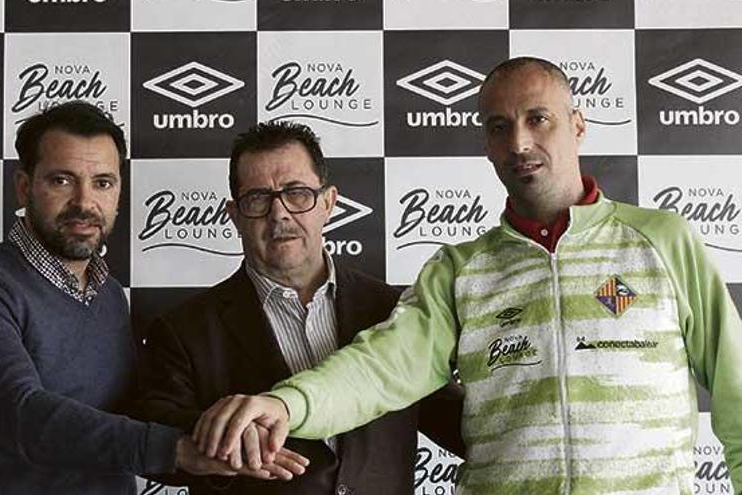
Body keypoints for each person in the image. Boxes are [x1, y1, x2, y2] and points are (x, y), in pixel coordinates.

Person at [193, 58, 742, 494]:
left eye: (538, 118)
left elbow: (736, 396)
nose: (519, 142)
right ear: (485, 144)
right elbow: (379, 367)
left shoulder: (664, 239)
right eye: (499, 127)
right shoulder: (460, 270)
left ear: (578, 125)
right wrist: (287, 405)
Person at [0, 101, 306, 495]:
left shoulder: (107, 295)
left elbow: (131, 415)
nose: (84, 203)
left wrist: (227, 435)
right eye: (62, 180)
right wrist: (175, 449)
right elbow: (20, 416)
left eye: (103, 182)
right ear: (25, 187)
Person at [134, 121, 464, 494]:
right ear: (234, 215)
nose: (279, 214)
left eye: (297, 193)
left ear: (328, 202)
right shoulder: (184, 329)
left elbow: (462, 426)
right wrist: (222, 437)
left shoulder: (395, 311)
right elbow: (151, 433)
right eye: (258, 199)